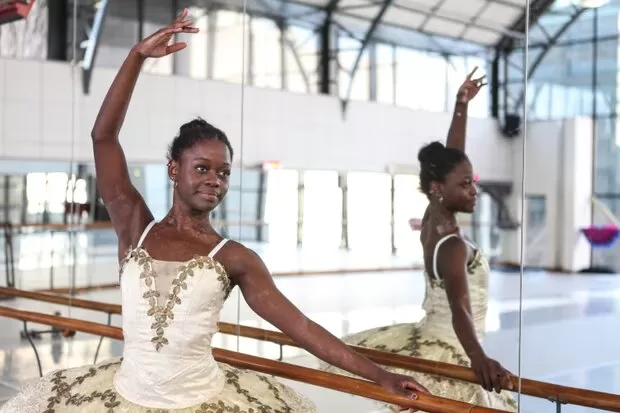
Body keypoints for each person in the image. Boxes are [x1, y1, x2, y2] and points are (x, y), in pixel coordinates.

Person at [0, 9, 429, 413]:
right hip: (126, 393)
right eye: (202, 168)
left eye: (223, 172)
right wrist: (136, 57)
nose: (215, 180)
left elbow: (299, 325)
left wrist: (380, 376)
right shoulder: (135, 226)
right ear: (173, 169)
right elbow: (103, 137)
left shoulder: (234, 257)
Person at [322, 68, 517, 412]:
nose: (474, 191)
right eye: (466, 185)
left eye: (473, 182)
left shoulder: (433, 218)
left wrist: (461, 105)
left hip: (430, 331)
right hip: (451, 345)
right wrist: (479, 358)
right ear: (440, 189)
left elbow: (451, 162)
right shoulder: (453, 246)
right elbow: (460, 309)